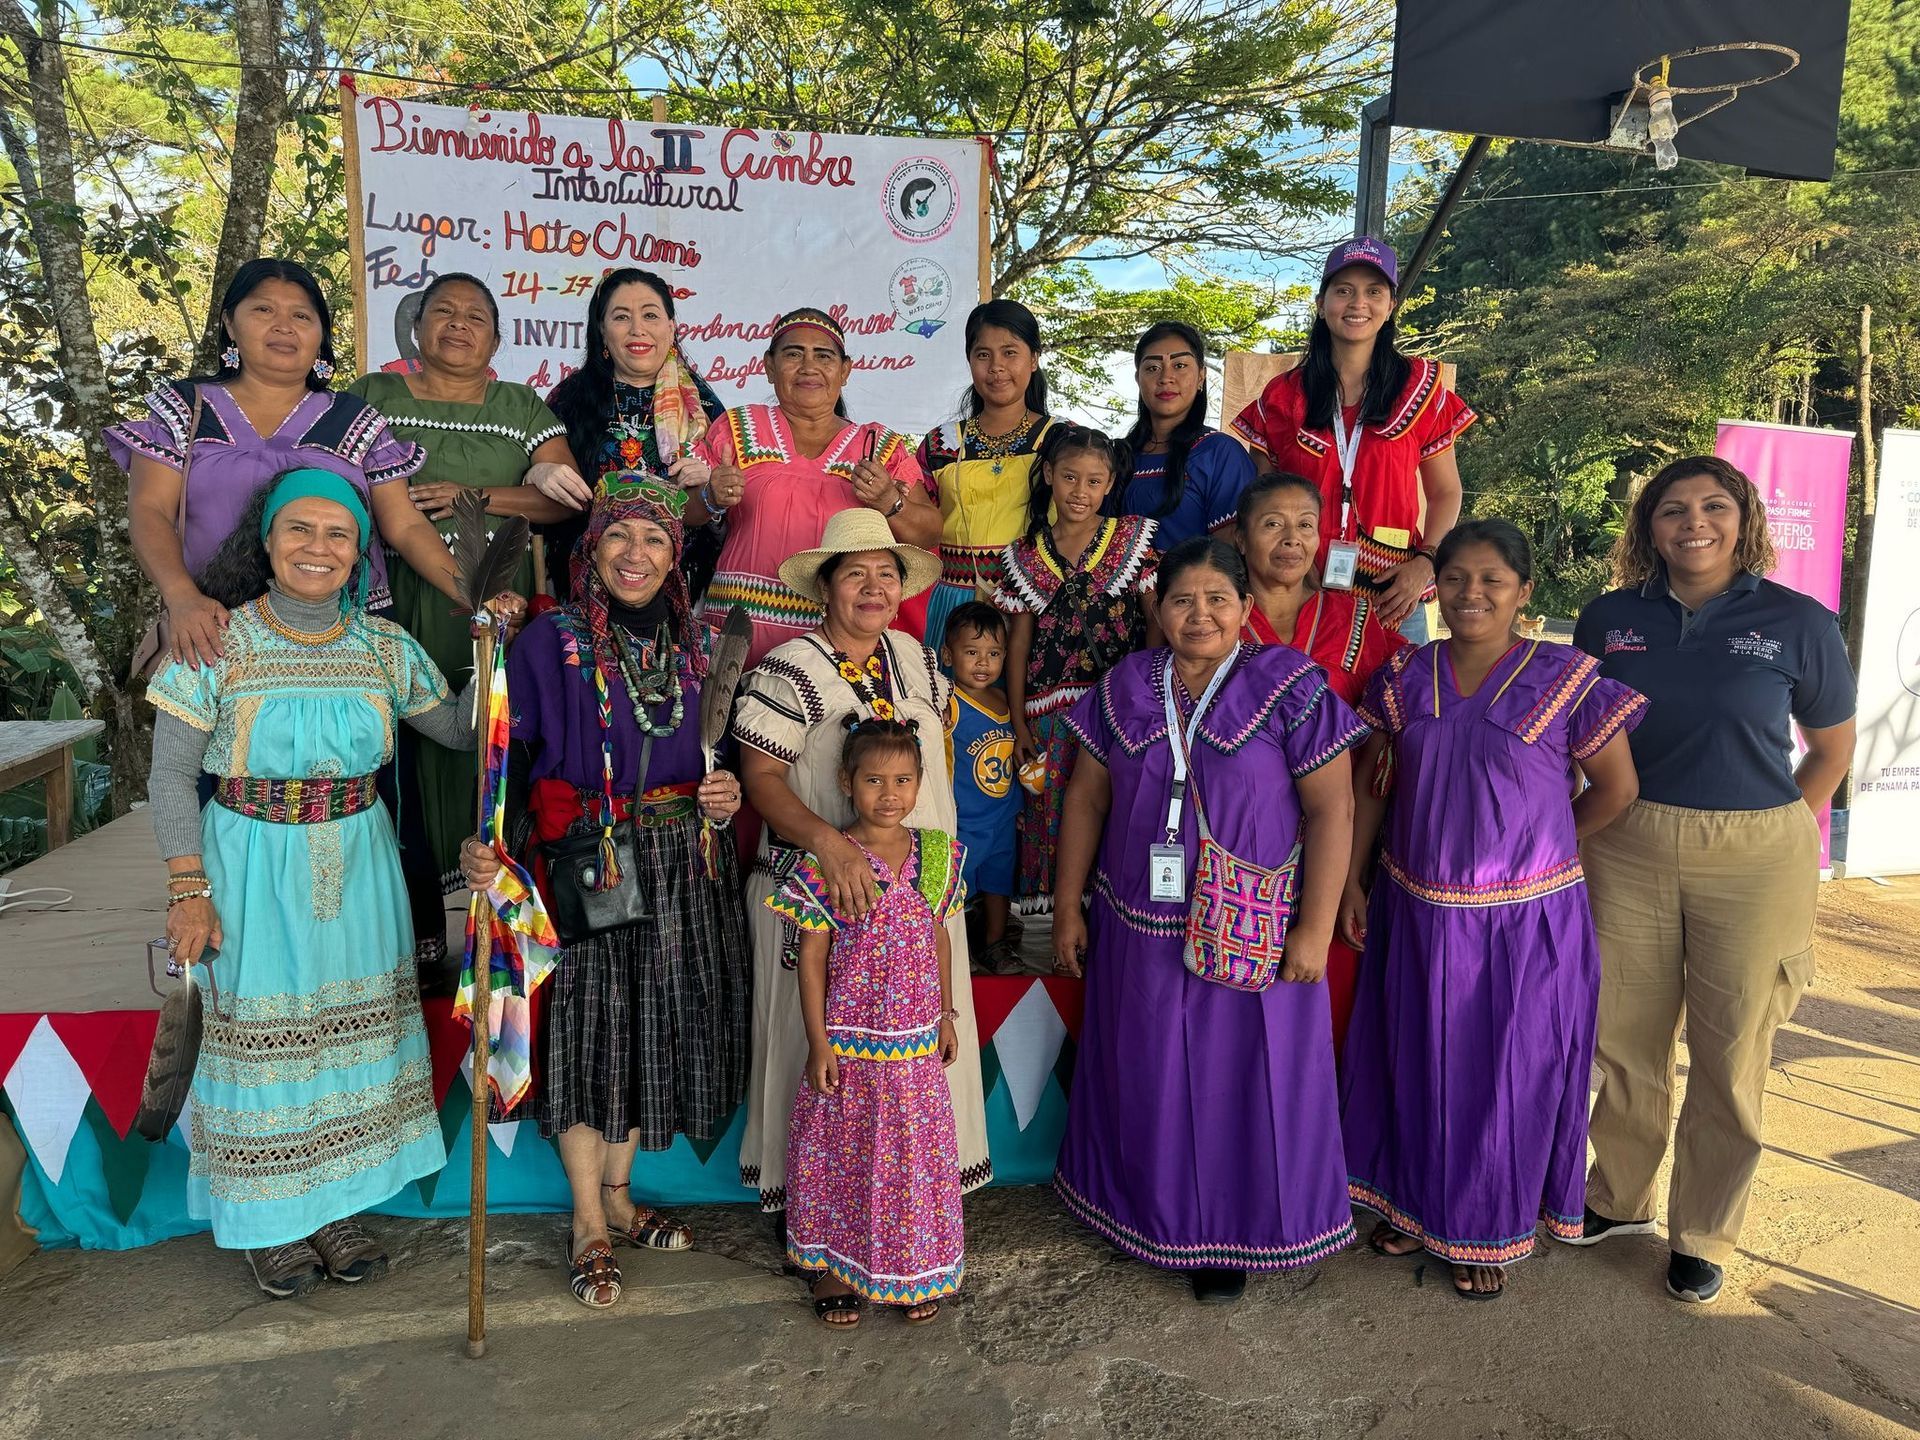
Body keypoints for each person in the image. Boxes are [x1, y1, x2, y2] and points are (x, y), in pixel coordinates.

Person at [146, 466, 519, 1298]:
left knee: (348, 1035)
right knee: (263, 1037)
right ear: (268, 541)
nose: (318, 548)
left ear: (359, 554)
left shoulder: (384, 648)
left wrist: (492, 652)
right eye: (300, 531)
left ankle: (336, 1207)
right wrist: (187, 889)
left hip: (359, 863)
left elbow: (460, 734)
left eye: (338, 535)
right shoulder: (216, 640)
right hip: (248, 865)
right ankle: (269, 1224)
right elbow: (169, 777)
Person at [1567, 455, 1857, 1306]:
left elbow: (1831, 750)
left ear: (1744, 519)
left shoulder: (1798, 620)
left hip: (1756, 850)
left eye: (1713, 506)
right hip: (1628, 840)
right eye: (1672, 510)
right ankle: (1618, 1199)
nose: (1694, 523)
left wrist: (1767, 829)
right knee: (1623, 1033)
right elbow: (1582, 734)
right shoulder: (1609, 618)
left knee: (1732, 1047)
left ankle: (1703, 1232)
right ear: (1647, 528)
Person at [458, 471, 749, 1308]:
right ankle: (587, 1219)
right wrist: (488, 844)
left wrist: (721, 794)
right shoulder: (549, 646)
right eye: (619, 535)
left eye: (655, 538)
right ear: (591, 549)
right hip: (591, 862)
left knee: (656, 1025)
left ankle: (621, 1198)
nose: (636, 553)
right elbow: (500, 761)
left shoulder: (696, 646)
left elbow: (710, 754)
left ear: (674, 557)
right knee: (591, 1034)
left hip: (683, 862)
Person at [1050, 537, 1366, 1305]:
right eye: (1182, 600)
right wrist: (1067, 906)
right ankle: (1140, 1216)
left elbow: (1334, 810)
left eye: (1217, 599)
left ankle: (1229, 1234)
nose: (1200, 614)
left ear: (1245, 609)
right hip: (1137, 926)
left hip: (1250, 928)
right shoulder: (1125, 685)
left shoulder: (1287, 686)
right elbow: (1087, 799)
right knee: (1145, 1072)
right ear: (1156, 610)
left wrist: (1314, 931)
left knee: (1238, 1082)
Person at [1338, 519, 1644, 1301]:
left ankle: (1487, 1227)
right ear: (1433, 586)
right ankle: (1417, 1204)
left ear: (1524, 594)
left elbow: (1617, 790)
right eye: (1456, 578)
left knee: (1506, 1076)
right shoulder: (1405, 676)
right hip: (1415, 905)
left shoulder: (1569, 677)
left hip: (1527, 922)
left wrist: (1547, 848)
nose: (1472, 593)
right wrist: (1350, 883)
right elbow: (1375, 785)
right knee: (1417, 1058)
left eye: (1492, 581)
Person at [731, 508, 991, 1219]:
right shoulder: (789, 668)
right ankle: (820, 1217)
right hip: (821, 893)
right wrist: (830, 843)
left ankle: (916, 1210)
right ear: (826, 587)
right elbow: (761, 780)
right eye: (857, 574)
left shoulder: (919, 660)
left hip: (920, 894)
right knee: (815, 1049)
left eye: (887, 574)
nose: (874, 588)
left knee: (922, 1051)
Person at [347, 273, 576, 972]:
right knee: (396, 761)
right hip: (393, 606)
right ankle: (412, 934)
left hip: (497, 609)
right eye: (441, 311)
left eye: (474, 315)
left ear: (498, 338)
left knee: (498, 752)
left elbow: (567, 501)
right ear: (415, 329)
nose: (457, 324)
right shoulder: (370, 397)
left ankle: (498, 936)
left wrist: (479, 496)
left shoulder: (522, 407)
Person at [110, 257, 466, 667]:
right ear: (229, 323)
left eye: (301, 315)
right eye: (263, 310)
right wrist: (182, 598)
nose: (283, 326)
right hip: (216, 625)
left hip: (343, 630)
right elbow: (149, 510)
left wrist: (473, 595)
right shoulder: (185, 409)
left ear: (320, 335)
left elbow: (403, 525)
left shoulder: (355, 419)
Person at [770, 717, 966, 1327]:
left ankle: (914, 1269)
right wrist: (818, 1042)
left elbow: (940, 939)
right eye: (874, 779)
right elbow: (811, 957)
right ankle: (831, 1268)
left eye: (904, 780)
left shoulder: (937, 856)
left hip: (913, 1049)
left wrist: (946, 1016)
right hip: (850, 1046)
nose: (890, 794)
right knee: (840, 1154)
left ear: (919, 784)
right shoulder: (828, 860)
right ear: (845, 782)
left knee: (911, 1158)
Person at [1234, 471, 1408, 1053]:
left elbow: (1392, 733)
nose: (1291, 539)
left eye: (1305, 525)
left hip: (1336, 848)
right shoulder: (1214, 619)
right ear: (1239, 538)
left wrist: (1356, 873)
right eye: (1272, 524)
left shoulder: (1358, 618)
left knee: (1320, 1013)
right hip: (1234, 851)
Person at [1230, 237, 1474, 638]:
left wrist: (1427, 561)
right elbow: (1262, 494)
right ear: (1322, 304)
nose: (1358, 303)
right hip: (1299, 592)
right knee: (1301, 700)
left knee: (1396, 700)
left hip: (1394, 592)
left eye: (1373, 292)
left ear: (1391, 305)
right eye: (1343, 291)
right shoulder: (1285, 395)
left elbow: (1446, 492)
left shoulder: (1421, 390)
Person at [695, 309, 939, 665]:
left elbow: (930, 532)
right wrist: (710, 497)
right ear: (769, 366)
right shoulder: (736, 427)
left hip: (839, 646)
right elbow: (679, 511)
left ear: (845, 370)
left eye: (823, 356)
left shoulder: (878, 444)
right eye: (793, 354)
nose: (808, 367)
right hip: (735, 637)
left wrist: (889, 501)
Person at [995, 425, 1157, 914]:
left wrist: (1142, 696)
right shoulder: (1023, 554)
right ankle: (1052, 927)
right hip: (1048, 718)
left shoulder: (1131, 539)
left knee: (1115, 809)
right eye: (1069, 477)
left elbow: (1154, 621)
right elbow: (1018, 643)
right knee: (1046, 812)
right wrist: (1019, 720)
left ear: (1109, 485)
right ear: (1049, 475)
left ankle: (1108, 918)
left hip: (1115, 709)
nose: (1079, 492)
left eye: (1093, 481)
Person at [527, 268, 730, 600]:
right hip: (584, 588)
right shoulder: (569, 400)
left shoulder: (704, 407)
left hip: (678, 591)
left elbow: (734, 512)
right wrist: (537, 472)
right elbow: (541, 485)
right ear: (602, 331)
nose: (638, 329)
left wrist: (712, 490)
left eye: (650, 315)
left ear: (671, 327)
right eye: (621, 317)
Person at [918, 301, 1055, 644]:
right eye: (983, 355)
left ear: (1034, 358)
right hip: (955, 607)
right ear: (969, 361)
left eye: (1010, 352)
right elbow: (921, 524)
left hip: (1039, 603)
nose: (996, 367)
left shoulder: (1062, 441)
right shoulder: (940, 444)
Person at [1117, 321, 1257, 551]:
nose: (1165, 378)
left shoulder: (1220, 454)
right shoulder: (1116, 455)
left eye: (1180, 365)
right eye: (1152, 368)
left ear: (1201, 376)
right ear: (1137, 379)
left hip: (1192, 587)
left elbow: (1229, 555)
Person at [939, 602, 1021, 973]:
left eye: (993, 654)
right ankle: (955, 952)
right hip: (964, 819)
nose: (983, 663)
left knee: (998, 883)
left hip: (1002, 815)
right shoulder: (949, 700)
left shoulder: (1005, 700)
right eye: (972, 653)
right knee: (957, 888)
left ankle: (995, 944)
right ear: (948, 654)